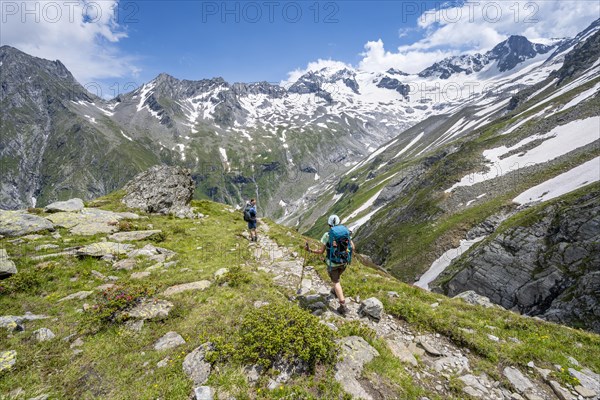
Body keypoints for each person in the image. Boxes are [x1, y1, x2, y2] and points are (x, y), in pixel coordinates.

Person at [305, 214, 354, 315]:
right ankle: (335, 291)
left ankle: (343, 306)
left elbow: (320, 251)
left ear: (329, 224)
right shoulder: (346, 233)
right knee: (337, 278)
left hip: (333, 263)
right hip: (344, 262)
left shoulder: (327, 235)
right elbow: (352, 246)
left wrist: (309, 250)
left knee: (336, 282)